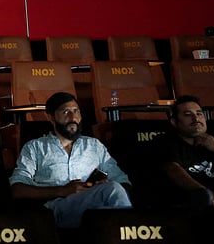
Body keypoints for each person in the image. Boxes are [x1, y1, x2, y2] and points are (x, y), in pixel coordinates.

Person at [9, 91, 132, 229]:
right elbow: (17, 190)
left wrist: (101, 186)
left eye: (76, 111)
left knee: (111, 197)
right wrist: (62, 190)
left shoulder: (94, 146)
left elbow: (124, 182)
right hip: (56, 211)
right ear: (51, 117)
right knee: (112, 190)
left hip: (94, 207)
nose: (73, 117)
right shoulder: (35, 147)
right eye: (65, 112)